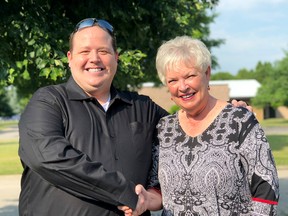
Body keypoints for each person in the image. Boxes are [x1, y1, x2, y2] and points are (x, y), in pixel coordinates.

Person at [18, 18, 253, 216]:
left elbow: (188, 132)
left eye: (103, 51)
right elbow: (47, 157)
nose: (94, 59)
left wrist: (224, 113)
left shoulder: (142, 107)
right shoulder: (49, 101)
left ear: (116, 57)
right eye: (84, 51)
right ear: (70, 58)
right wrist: (126, 192)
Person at [153, 36, 279, 215]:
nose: (182, 87)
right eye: (173, 80)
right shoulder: (164, 129)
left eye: (190, 76)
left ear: (207, 74)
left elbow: (267, 188)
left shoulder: (239, 121)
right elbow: (155, 188)